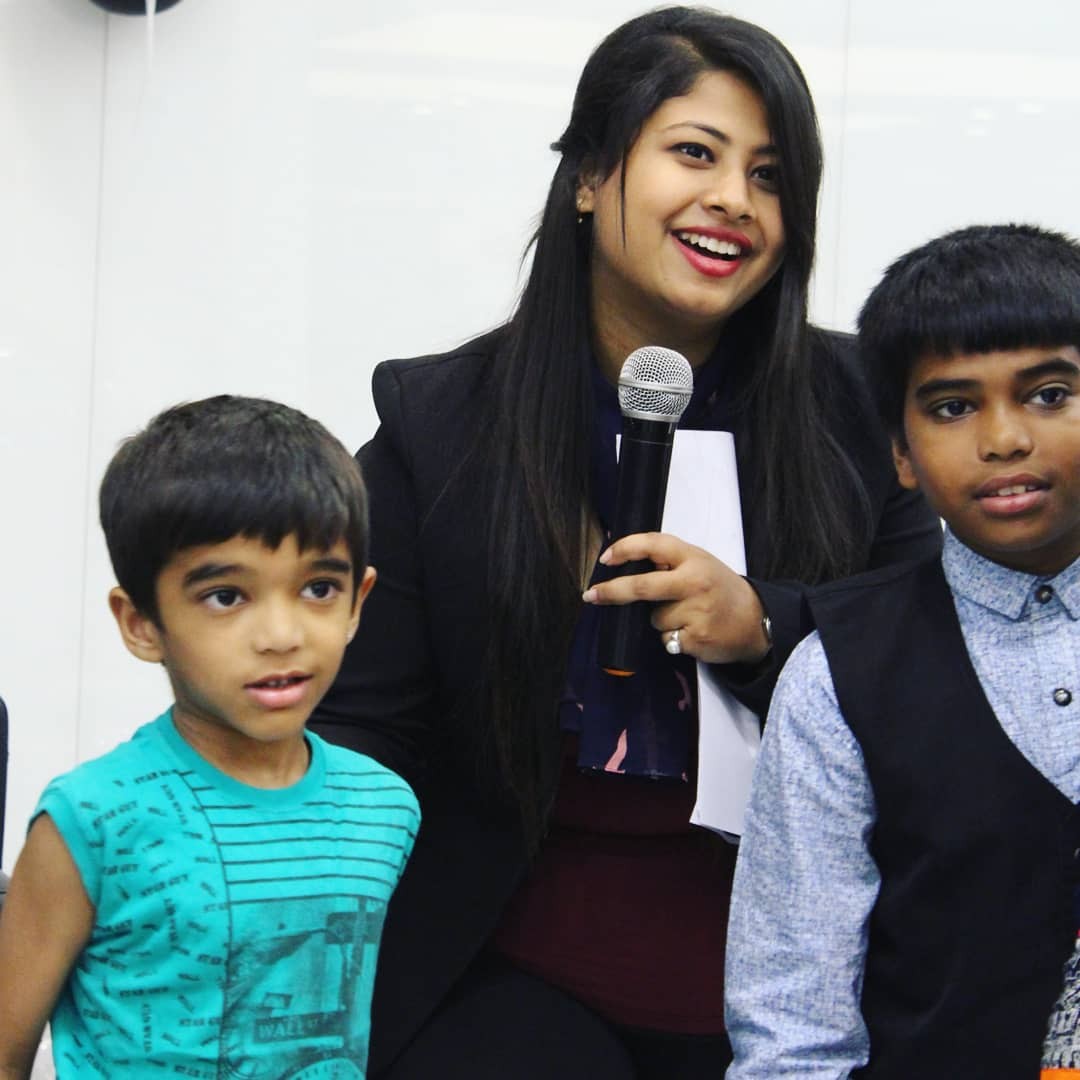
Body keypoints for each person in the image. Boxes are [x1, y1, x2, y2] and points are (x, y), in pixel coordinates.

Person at [310, 7, 941, 1078]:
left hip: (811, 973)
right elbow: (363, 728)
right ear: (592, 175)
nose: (733, 199)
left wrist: (766, 625)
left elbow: (933, 665)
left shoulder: (862, 409)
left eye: (771, 176)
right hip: (510, 973)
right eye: (695, 153)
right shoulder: (442, 422)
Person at [724, 222, 1080, 1078]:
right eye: (953, 407)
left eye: (1048, 393)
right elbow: (793, 1026)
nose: (1004, 439)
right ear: (901, 455)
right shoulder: (839, 676)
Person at [0, 396, 420, 1079]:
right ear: (140, 623)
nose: (281, 635)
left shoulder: (385, 809)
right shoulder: (92, 819)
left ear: (357, 603)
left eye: (318, 588)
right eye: (227, 596)